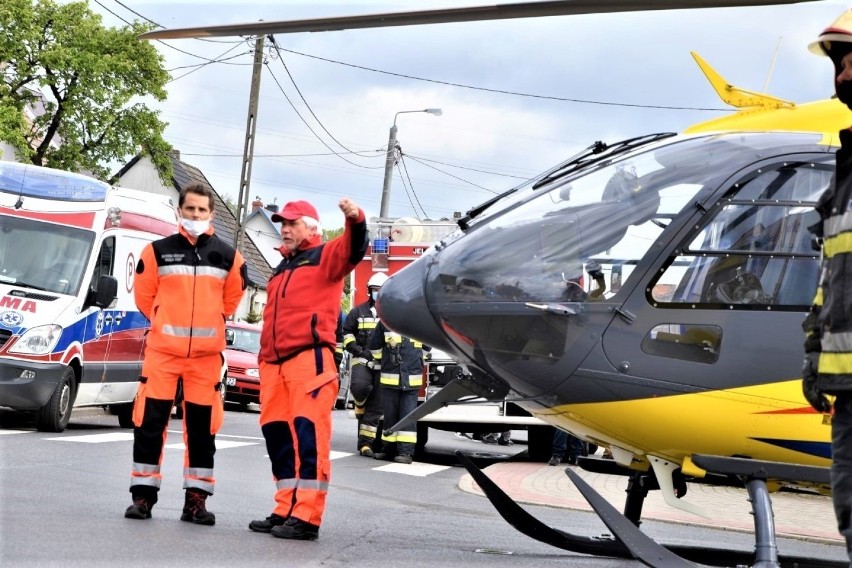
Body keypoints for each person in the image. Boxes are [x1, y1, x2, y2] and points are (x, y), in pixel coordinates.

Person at [124, 182, 247, 524]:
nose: (195, 215)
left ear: (212, 214)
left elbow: (231, 301)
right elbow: (145, 298)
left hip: (206, 358)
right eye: (189, 209)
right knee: (149, 424)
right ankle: (143, 497)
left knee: (202, 429)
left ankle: (196, 501)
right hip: (163, 354)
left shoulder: (229, 257)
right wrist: (166, 321)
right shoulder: (157, 251)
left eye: (201, 210)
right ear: (180, 210)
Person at [250, 198, 367, 541]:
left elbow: (353, 247)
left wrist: (355, 219)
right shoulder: (282, 267)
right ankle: (285, 507)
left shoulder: (324, 256)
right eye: (282, 224)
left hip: (309, 360)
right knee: (279, 438)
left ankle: (307, 516)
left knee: (308, 438)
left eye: (292, 223)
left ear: (312, 229)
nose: (284, 229)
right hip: (274, 364)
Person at [804, 10, 852, 559]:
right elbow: (830, 286)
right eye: (838, 66)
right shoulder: (844, 176)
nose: (842, 78)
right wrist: (814, 359)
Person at [369, 320, 429, 464]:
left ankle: (406, 452)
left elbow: (427, 348)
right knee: (390, 416)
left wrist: (415, 360)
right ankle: (388, 450)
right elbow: (374, 347)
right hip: (391, 380)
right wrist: (387, 359)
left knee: (408, 417)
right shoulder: (385, 323)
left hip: (410, 381)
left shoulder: (420, 324)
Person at [342, 271, 388, 456]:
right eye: (375, 290)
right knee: (359, 387)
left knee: (376, 407)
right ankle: (359, 403)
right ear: (369, 291)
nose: (377, 293)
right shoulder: (357, 312)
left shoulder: (391, 314)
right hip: (361, 359)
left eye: (381, 290)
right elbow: (346, 334)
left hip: (383, 364)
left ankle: (365, 445)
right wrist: (358, 350)